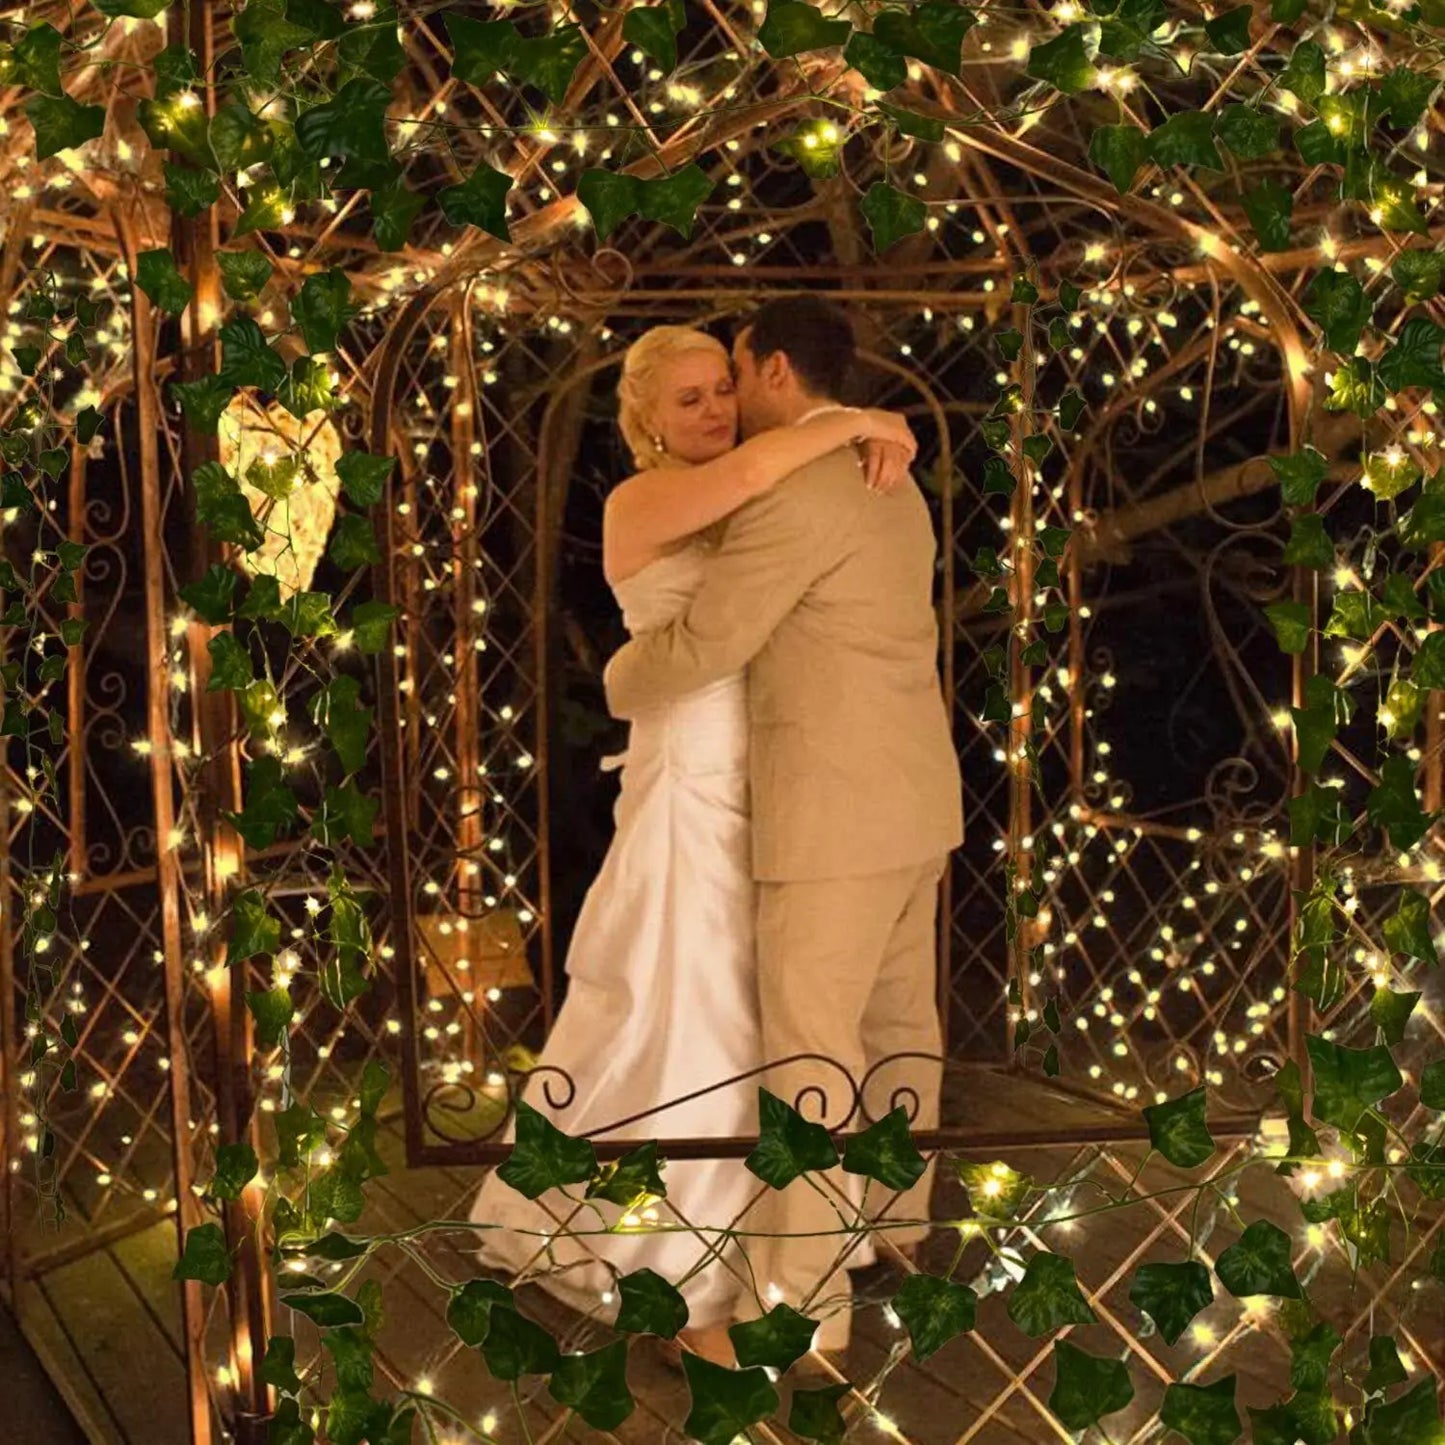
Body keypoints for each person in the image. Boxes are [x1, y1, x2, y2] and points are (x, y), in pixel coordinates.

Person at [468, 322, 917, 1366]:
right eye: (687, 400)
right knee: (693, 999)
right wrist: (854, 417)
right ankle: (679, 1267)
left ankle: (773, 1259)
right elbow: (768, 460)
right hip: (687, 776)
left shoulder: (766, 494)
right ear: (644, 420)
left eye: (720, 389)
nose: (714, 410)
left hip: (777, 782)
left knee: (775, 1008)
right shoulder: (644, 500)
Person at [604, 296, 964, 1365]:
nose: (722, 400)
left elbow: (707, 639)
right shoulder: (890, 476)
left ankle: (789, 1320)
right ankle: (892, 1227)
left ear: (766, 368)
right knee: (901, 1024)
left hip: (834, 817)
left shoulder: (804, 484)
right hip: (916, 797)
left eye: (730, 379)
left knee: (806, 1053)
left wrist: (615, 675)